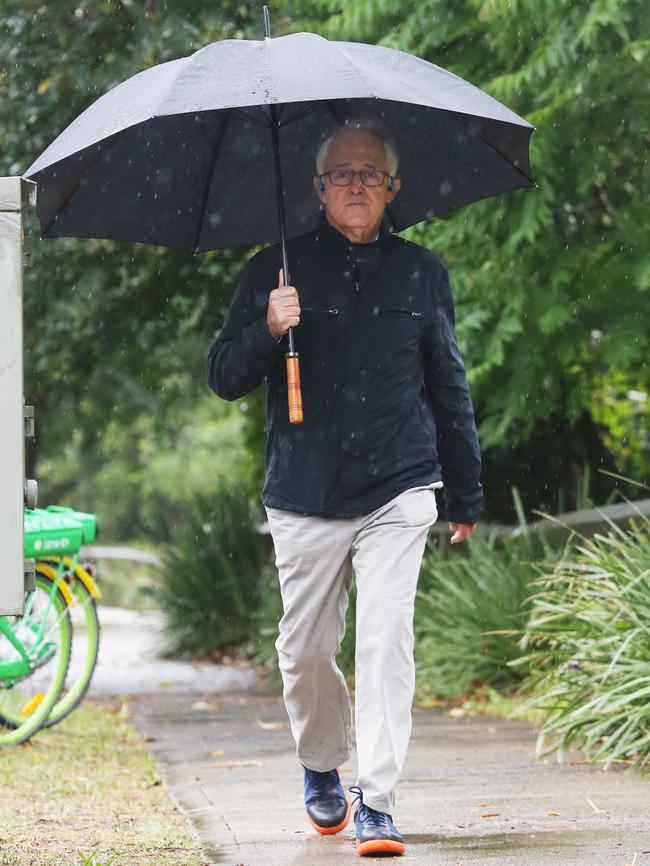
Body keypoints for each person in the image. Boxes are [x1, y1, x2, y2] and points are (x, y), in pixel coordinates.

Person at [207, 122, 483, 858]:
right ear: (318, 188)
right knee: (304, 651)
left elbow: (448, 383)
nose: (356, 184)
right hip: (303, 491)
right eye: (342, 173)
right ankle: (321, 761)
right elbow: (223, 375)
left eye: (371, 173)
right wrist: (269, 325)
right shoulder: (276, 268)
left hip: (400, 485)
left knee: (387, 640)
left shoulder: (423, 272)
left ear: (393, 190)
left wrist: (466, 492)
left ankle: (378, 800)